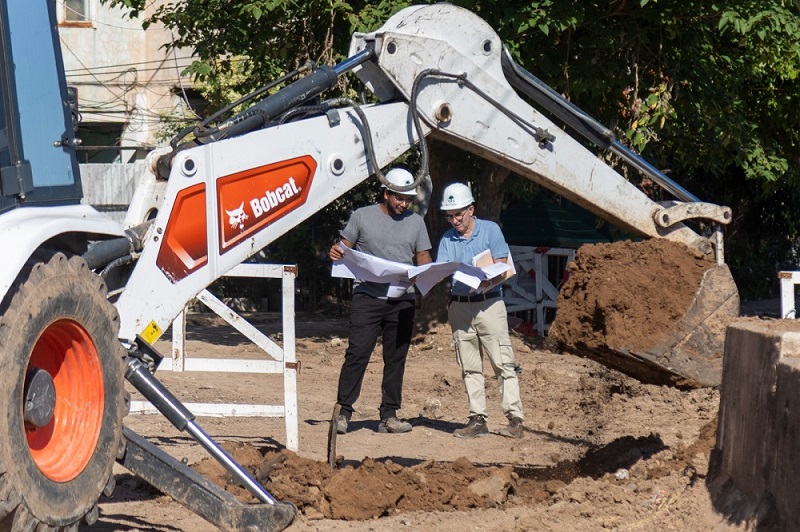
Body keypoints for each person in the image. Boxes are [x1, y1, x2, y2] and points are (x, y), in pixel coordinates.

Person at [329, 168, 432, 434]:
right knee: (358, 353)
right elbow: (344, 247)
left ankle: (389, 415)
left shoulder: (416, 223)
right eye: (399, 198)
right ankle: (343, 412)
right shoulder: (362, 216)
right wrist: (336, 251)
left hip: (402, 299)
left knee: (396, 358)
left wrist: (427, 270)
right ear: (385, 193)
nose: (403, 203)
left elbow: (422, 257)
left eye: (408, 199)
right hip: (367, 296)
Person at [436, 182, 524, 439]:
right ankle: (477, 419)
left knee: (503, 362)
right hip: (460, 306)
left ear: (471, 209)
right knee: (469, 365)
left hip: (489, 304)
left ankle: (514, 418)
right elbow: (442, 270)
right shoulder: (446, 239)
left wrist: (488, 281)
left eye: (458, 214)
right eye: (449, 215)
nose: (454, 220)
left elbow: (504, 266)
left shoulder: (490, 230)